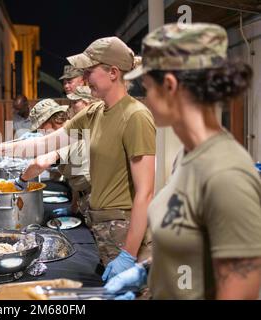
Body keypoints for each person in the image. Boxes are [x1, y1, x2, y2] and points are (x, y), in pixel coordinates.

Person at [0, 37, 156, 279]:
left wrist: (129, 255)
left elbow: (145, 193)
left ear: (113, 72)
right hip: (104, 225)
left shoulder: (135, 116)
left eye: (90, 71)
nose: (86, 78)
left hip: (125, 227)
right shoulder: (95, 112)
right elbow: (44, 143)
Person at [106, 23, 261, 300]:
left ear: (170, 86)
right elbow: (193, 249)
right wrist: (150, 271)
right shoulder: (186, 157)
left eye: (148, 88)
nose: (147, 101)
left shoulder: (226, 174)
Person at [13, 98, 91, 216]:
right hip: (84, 194)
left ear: (51, 120)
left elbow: (40, 163)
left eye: (41, 126)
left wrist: (21, 180)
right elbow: (75, 177)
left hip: (96, 199)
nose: (41, 131)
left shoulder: (67, 132)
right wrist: (73, 208)